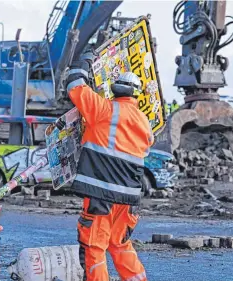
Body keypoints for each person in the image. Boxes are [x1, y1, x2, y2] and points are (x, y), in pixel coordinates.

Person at [65, 52, 154, 281]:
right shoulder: (144, 123)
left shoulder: (103, 110)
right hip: (129, 200)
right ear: (135, 94)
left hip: (100, 196)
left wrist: (84, 61)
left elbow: (74, 83)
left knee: (94, 246)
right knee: (120, 244)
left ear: (114, 90)